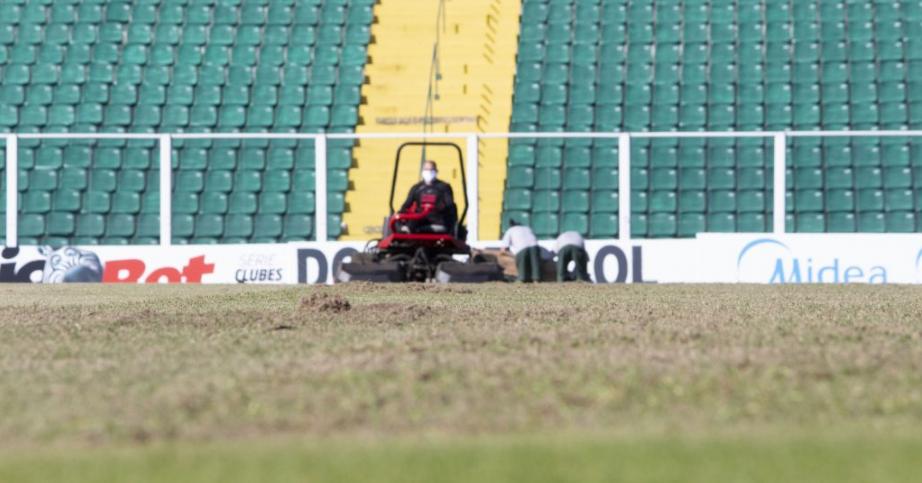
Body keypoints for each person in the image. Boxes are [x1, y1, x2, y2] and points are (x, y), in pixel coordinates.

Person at [397, 160, 457, 234]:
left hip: (438, 218)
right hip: (420, 219)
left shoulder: (444, 187)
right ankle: (406, 230)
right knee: (412, 219)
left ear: (436, 171)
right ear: (422, 171)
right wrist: (400, 215)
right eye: (426, 169)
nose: (428, 172)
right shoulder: (417, 188)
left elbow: (450, 206)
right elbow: (407, 204)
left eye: (431, 169)